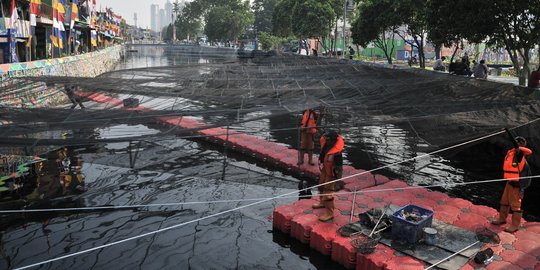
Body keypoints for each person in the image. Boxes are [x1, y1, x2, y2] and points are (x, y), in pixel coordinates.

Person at [491, 136, 532, 233]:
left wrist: (518, 146)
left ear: (522, 145)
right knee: (504, 201)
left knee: (515, 206)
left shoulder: (520, 154)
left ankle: (514, 225)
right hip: (509, 182)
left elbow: (523, 151)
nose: (516, 143)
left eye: (518, 142)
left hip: (517, 185)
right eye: (516, 141)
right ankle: (502, 219)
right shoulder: (511, 153)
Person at [312, 130, 344, 221]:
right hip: (325, 169)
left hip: (332, 174)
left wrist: (338, 181)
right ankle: (322, 202)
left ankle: (330, 213)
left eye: (328, 138)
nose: (326, 139)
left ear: (332, 140)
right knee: (321, 185)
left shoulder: (337, 152)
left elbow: (339, 167)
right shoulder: (326, 144)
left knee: (328, 192)